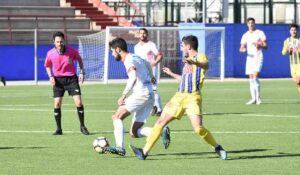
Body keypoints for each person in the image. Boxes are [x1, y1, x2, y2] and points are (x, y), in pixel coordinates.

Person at [130, 35, 227, 160]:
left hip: (193, 98)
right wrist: (171, 73)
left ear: (189, 46)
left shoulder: (199, 57)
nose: (181, 48)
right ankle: (144, 152)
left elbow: (206, 65)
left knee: (198, 129)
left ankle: (217, 147)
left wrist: (194, 61)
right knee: (160, 122)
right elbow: (184, 79)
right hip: (178, 97)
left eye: (182, 46)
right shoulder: (187, 61)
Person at [102, 38, 170, 156]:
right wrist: (151, 76)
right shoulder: (135, 56)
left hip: (141, 94)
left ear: (118, 50)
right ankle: (161, 131)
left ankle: (120, 148)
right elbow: (147, 64)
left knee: (116, 117)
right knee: (134, 132)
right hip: (150, 94)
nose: (112, 54)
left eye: (112, 51)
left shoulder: (129, 60)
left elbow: (132, 77)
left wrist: (124, 94)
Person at [44, 31, 89, 135]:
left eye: (61, 41)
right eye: (57, 42)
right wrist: (50, 76)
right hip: (58, 80)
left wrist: (82, 72)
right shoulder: (50, 53)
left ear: (64, 41)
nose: (59, 44)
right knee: (57, 104)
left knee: (78, 102)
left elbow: (79, 60)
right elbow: (47, 65)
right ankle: (59, 129)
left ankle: (82, 127)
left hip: (71, 79)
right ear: (54, 42)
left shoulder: (72, 51)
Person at [134, 28, 163, 116]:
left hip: (151, 70)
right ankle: (156, 107)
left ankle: (158, 108)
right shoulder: (136, 47)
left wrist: (154, 63)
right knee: (144, 89)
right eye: (141, 33)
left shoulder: (151, 45)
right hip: (141, 71)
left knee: (153, 89)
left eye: (144, 33)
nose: (142, 35)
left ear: (147, 34)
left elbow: (160, 55)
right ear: (138, 34)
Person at [240, 17, 268, 105]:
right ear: (247, 24)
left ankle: (258, 98)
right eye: (249, 23)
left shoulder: (260, 33)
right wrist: (243, 49)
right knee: (251, 78)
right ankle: (253, 99)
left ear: (254, 23)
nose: (251, 24)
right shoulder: (245, 35)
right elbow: (241, 47)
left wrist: (260, 45)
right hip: (250, 58)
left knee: (255, 77)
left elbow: (266, 46)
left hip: (258, 57)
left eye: (252, 23)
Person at [282, 23, 300, 92]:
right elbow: (283, 53)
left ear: (297, 31)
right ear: (289, 31)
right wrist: (287, 49)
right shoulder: (287, 41)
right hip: (292, 66)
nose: (293, 31)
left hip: (299, 64)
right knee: (298, 83)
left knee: (298, 80)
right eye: (292, 30)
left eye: (295, 30)